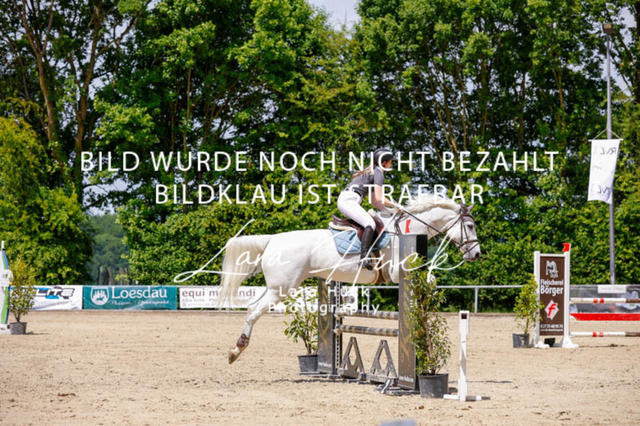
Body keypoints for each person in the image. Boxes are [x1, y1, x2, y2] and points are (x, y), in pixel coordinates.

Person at [337, 148, 398, 270]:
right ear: (384, 162)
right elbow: (380, 198)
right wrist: (396, 205)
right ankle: (364, 258)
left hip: (347, 200)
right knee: (370, 223)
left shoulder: (373, 172)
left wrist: (390, 211)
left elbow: (375, 202)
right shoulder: (378, 172)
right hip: (349, 200)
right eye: (390, 162)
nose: (391, 164)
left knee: (368, 222)